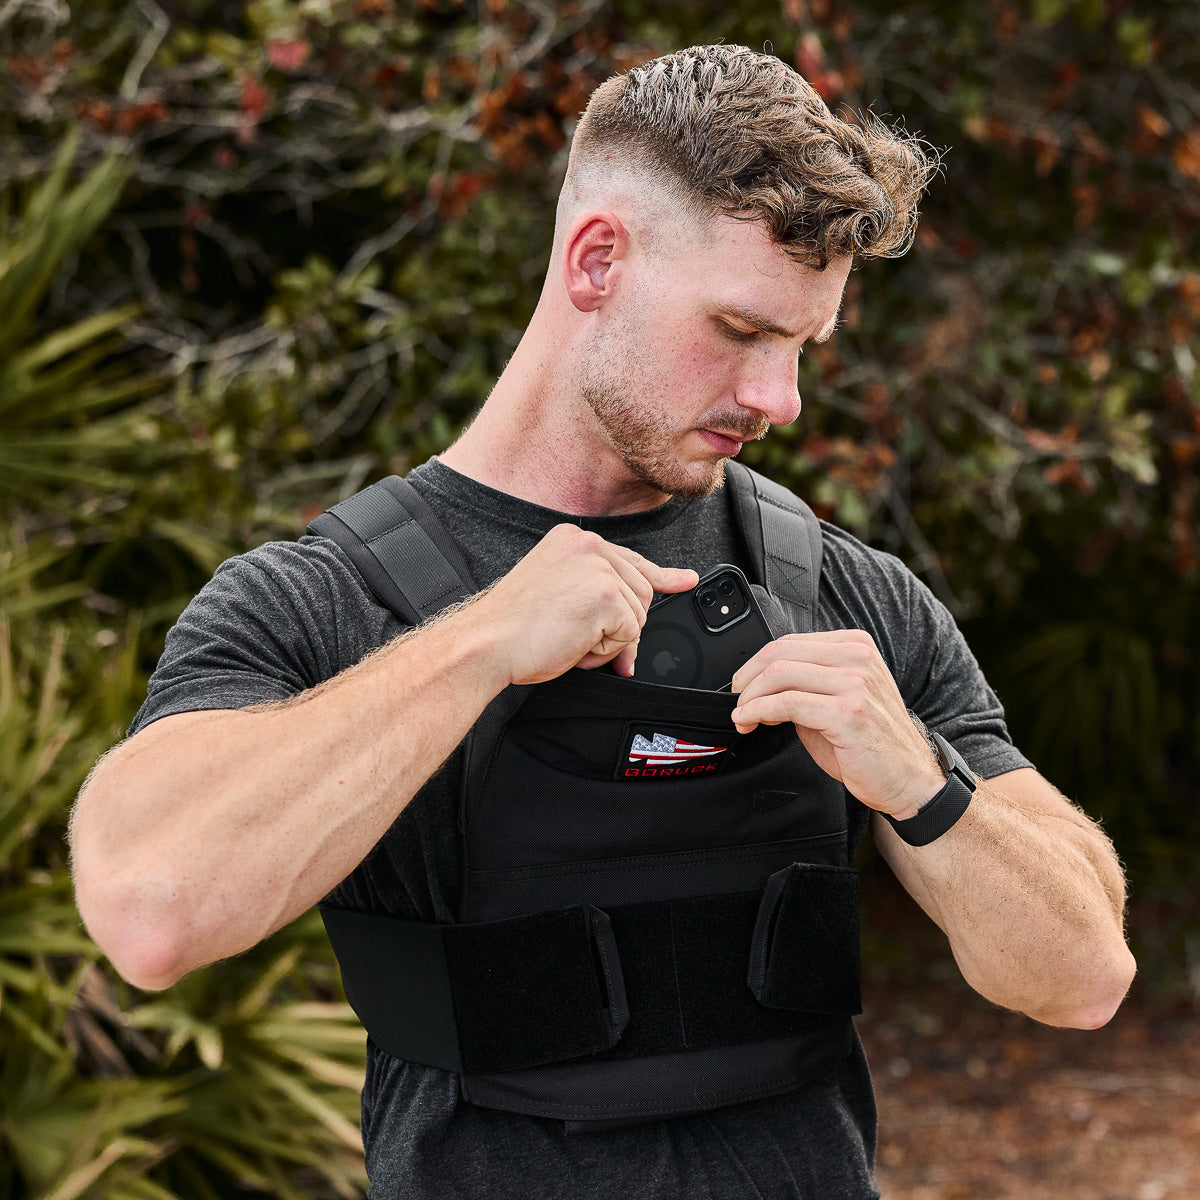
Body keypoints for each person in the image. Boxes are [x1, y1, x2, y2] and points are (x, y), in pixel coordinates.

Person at [71, 44, 1135, 1199]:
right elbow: (148, 913)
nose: (779, 401)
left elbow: (1083, 975)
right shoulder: (326, 599)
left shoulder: (846, 592)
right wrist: (479, 645)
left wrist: (921, 779)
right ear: (596, 261)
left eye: (801, 349)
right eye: (738, 331)